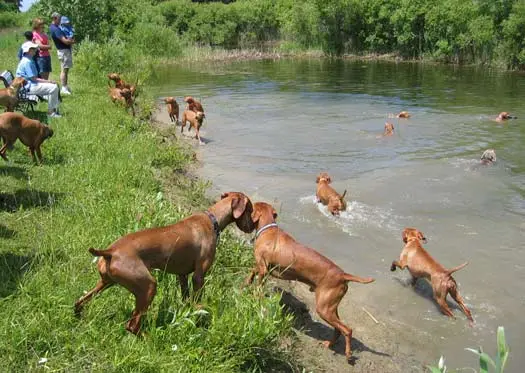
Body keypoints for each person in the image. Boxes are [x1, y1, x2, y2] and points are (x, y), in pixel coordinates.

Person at [16, 42, 61, 118]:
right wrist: (49, 81)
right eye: (33, 49)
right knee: (53, 87)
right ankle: (51, 112)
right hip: (26, 88)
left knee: (53, 86)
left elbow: (33, 79)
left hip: (27, 85)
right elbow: (34, 79)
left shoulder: (27, 59)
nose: (36, 50)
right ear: (28, 51)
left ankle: (53, 109)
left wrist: (48, 82)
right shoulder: (27, 62)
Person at [49, 12, 74, 95]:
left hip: (64, 50)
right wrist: (72, 41)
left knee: (66, 69)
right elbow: (65, 41)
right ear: (55, 18)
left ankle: (65, 86)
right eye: (59, 19)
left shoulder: (56, 27)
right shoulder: (55, 29)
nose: (60, 21)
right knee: (64, 70)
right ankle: (63, 87)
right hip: (63, 51)